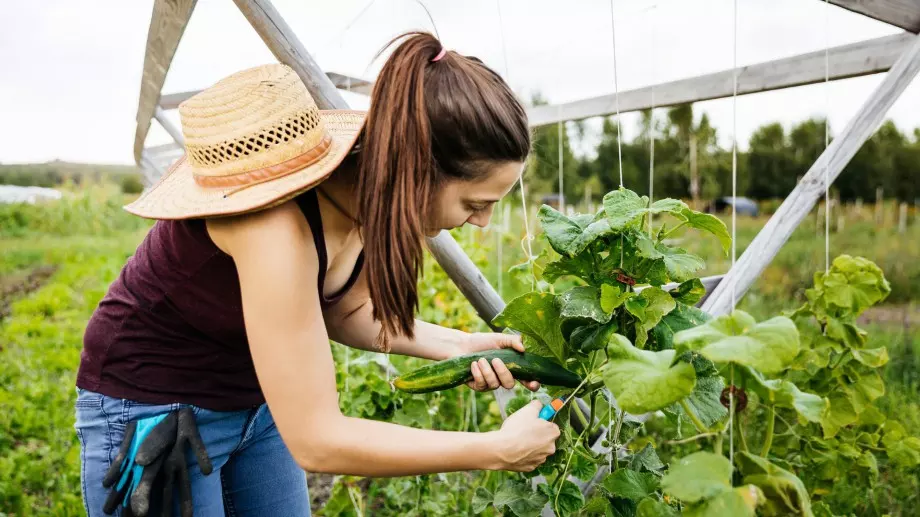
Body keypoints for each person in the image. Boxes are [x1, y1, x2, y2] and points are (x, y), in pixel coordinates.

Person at [74, 31, 560, 516]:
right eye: (476, 203)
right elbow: (318, 440)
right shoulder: (276, 229)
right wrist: (494, 449)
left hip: (256, 407)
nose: (482, 222)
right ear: (417, 171)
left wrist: (458, 344)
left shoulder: (367, 195)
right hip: (154, 412)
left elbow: (347, 309)